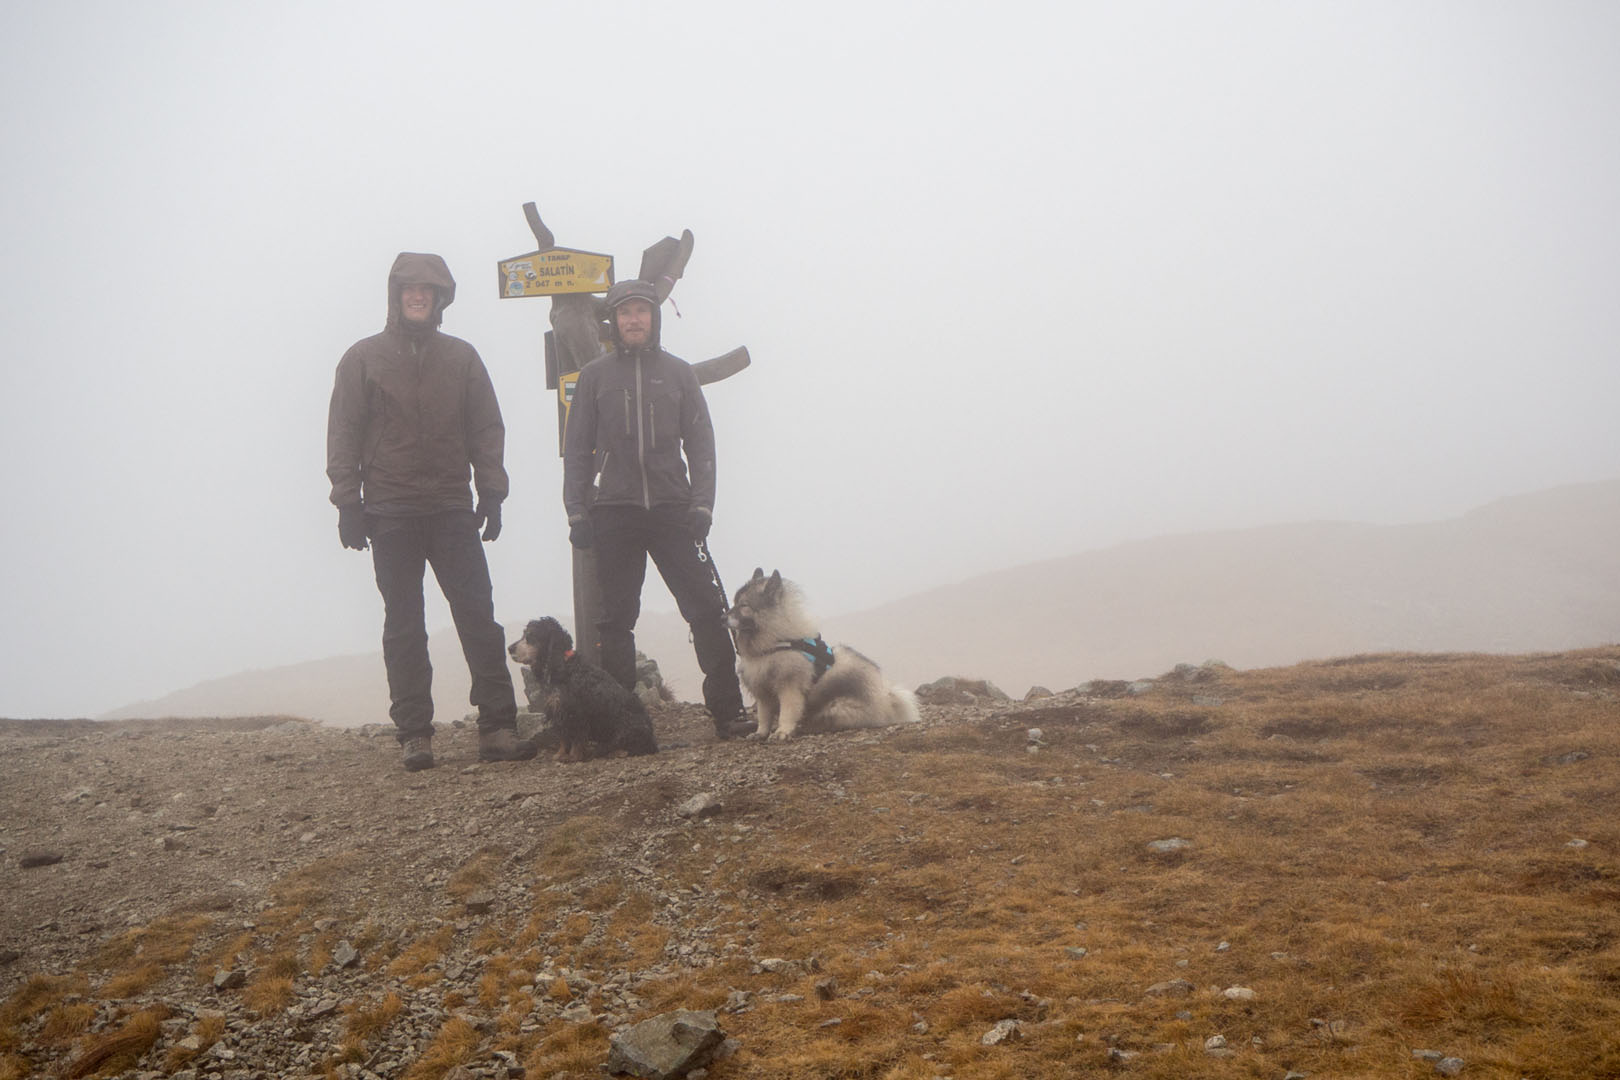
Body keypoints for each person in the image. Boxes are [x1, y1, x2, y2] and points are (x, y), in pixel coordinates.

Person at [327, 252, 536, 771]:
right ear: (396, 296)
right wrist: (347, 501)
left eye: (428, 290)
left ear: (441, 299)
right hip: (389, 509)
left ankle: (497, 728)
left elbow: (487, 428)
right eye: (409, 289)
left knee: (477, 619)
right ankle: (415, 735)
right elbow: (344, 431)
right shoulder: (363, 358)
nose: (418, 296)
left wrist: (492, 493)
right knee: (404, 624)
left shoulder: (462, 358)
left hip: (450, 507)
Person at [562, 279, 756, 740]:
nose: (633, 320)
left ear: (655, 318)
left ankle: (728, 713)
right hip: (613, 511)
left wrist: (703, 506)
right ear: (613, 321)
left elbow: (702, 444)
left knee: (707, 610)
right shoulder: (594, 377)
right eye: (625, 313)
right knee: (615, 621)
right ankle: (622, 725)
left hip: (674, 509)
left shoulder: (679, 374)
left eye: (641, 312)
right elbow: (577, 450)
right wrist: (577, 512)